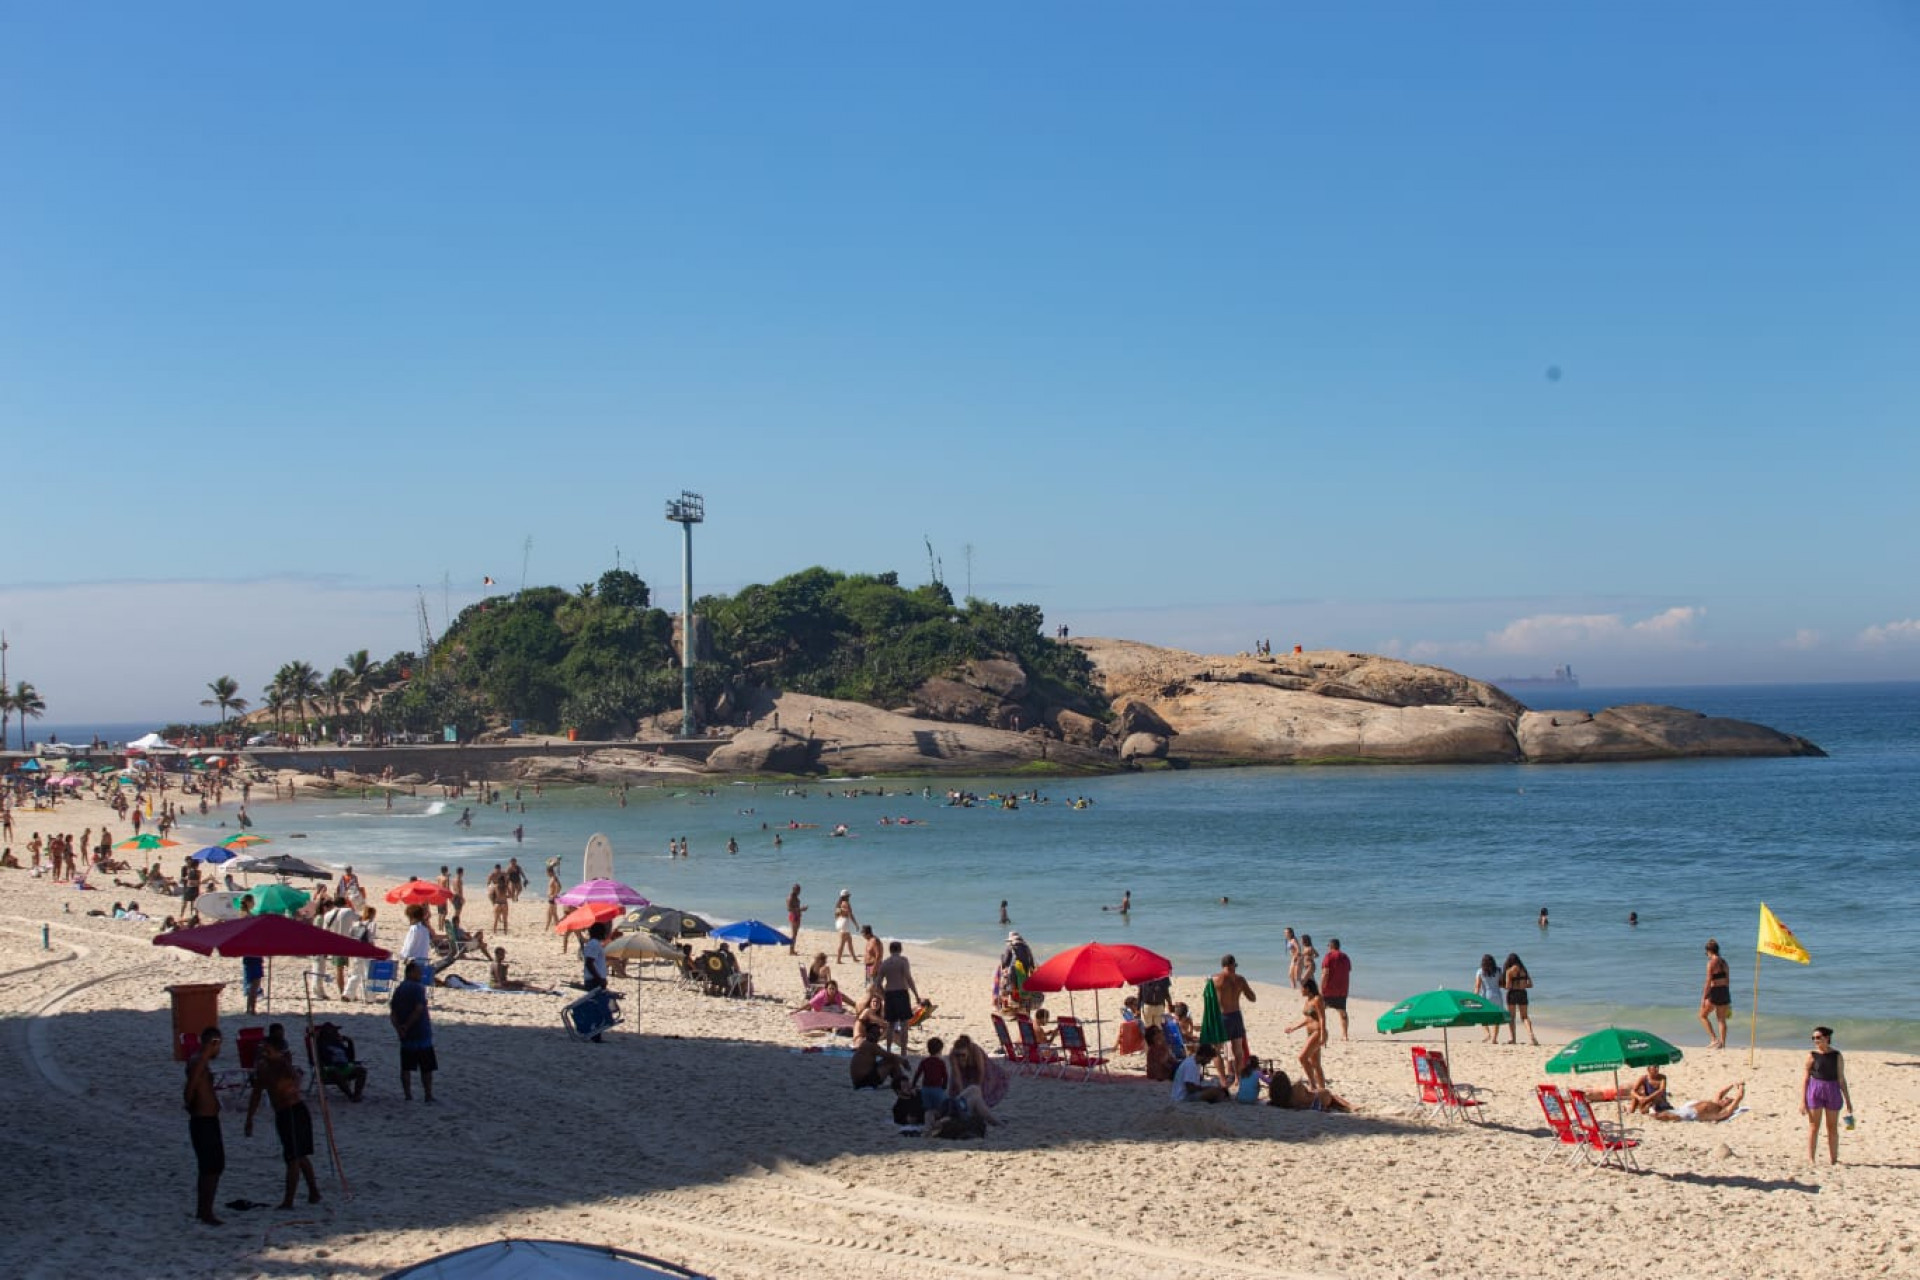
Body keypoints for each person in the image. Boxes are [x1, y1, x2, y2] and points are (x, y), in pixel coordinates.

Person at [244, 1024, 322, 1208]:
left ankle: (289, 1200)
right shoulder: (264, 1069)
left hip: (294, 1111)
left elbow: (293, 1080)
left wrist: (281, 1060)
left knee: (294, 1158)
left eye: (266, 1051)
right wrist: (249, 1118)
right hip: (283, 1113)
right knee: (297, 1156)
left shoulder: (284, 1067)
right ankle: (313, 1192)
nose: (263, 1054)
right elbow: (256, 1094)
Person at [183, 1025, 226, 1225]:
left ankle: (205, 1209)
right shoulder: (199, 1061)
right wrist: (190, 1105)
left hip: (208, 1119)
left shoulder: (202, 1061)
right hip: (203, 1120)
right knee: (210, 1168)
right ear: (214, 1043)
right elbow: (190, 1086)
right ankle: (205, 1211)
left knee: (214, 1166)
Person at [1801, 1027, 1853, 1164]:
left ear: (1827, 1038)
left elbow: (1841, 1078)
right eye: (1813, 1038)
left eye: (1818, 1037)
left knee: (1832, 1127)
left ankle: (1834, 1159)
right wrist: (1802, 1101)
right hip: (1815, 1090)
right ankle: (1811, 1158)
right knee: (1814, 1126)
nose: (1815, 1040)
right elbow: (1805, 1078)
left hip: (1832, 1090)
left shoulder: (1836, 1055)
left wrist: (1848, 1100)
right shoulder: (1812, 1055)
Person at [389, 960, 437, 1103]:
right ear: (410, 973)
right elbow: (418, 1009)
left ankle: (408, 1094)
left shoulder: (399, 989)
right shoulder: (417, 988)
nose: (421, 974)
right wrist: (407, 1026)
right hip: (420, 1032)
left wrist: (399, 1029)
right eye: (418, 972)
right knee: (426, 1067)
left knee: (406, 1067)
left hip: (406, 1035)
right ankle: (428, 1094)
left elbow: (393, 1013)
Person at [1210, 954, 1256, 1078]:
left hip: (1222, 1016)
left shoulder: (1215, 980)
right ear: (1233, 965)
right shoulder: (1240, 980)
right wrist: (1241, 989)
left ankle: (1223, 1080)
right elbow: (1252, 998)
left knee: (1216, 1050)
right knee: (1238, 1052)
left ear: (1223, 966)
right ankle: (1238, 1079)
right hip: (1236, 1016)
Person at [876, 940, 922, 1055]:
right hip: (901, 993)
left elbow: (877, 983)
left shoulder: (885, 963)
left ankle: (888, 1050)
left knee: (891, 1025)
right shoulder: (903, 961)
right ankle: (903, 1052)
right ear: (900, 949)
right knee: (904, 1024)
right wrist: (916, 994)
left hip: (890, 994)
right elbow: (908, 978)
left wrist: (884, 995)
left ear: (890, 950)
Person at [1286, 976, 1328, 1092]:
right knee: (1315, 1064)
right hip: (1310, 1033)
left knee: (1302, 1057)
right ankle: (1322, 1090)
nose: (1300, 990)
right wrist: (1294, 1027)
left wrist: (1323, 1035)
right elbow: (1308, 1019)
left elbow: (1322, 1018)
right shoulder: (1308, 1000)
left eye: (1302, 988)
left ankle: (1313, 1086)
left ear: (1308, 988)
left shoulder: (1317, 999)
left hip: (1318, 1032)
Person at [1267, 1068, 1355, 1113]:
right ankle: (1350, 1106)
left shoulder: (1279, 1099)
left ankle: (1345, 1106)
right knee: (1333, 1096)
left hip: (1314, 1103)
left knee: (1330, 1100)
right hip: (1320, 1098)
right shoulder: (1296, 1088)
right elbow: (1309, 1092)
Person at [849, 1025, 908, 1093]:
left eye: (877, 1034)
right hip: (864, 1082)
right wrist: (903, 1061)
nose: (875, 1036)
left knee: (891, 1060)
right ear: (867, 1033)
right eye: (873, 1033)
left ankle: (900, 1081)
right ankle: (901, 1083)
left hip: (859, 1082)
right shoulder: (870, 1045)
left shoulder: (866, 1044)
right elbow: (888, 1055)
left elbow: (887, 1056)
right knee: (892, 1061)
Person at [1656, 1081, 1746, 1123]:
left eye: (1727, 1100)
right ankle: (1653, 1116)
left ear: (1728, 1105)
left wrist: (1741, 1086)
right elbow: (1720, 1092)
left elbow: (1739, 1097)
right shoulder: (1716, 1103)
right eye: (1725, 1098)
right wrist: (1732, 1084)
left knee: (1668, 1115)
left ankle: (1653, 1117)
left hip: (1693, 1114)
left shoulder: (1722, 1112)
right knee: (1667, 1112)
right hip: (1688, 1108)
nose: (1723, 1099)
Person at [1699, 938, 1732, 1049]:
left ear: (1709, 951)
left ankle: (1714, 1039)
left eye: (1706, 952)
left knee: (1702, 1016)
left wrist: (1703, 997)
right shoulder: (1724, 962)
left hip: (1715, 991)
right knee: (1721, 1019)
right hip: (1725, 991)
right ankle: (1722, 1044)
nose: (1706, 955)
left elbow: (1708, 981)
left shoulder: (1711, 963)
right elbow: (1727, 980)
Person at [1502, 953, 1537, 1045]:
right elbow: (1531, 984)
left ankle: (1513, 1039)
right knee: (1525, 1016)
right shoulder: (1524, 971)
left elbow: (1507, 986)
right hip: (1522, 993)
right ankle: (1531, 1034)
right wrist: (1522, 985)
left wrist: (1505, 985)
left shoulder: (1509, 971)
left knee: (1512, 1017)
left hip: (1512, 994)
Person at [1320, 939, 1352, 1041]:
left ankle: (1319, 1032)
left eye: (1328, 945)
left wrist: (1322, 987)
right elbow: (1348, 970)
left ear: (1330, 946)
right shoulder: (1346, 957)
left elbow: (1325, 973)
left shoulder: (1328, 956)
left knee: (1319, 1011)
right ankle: (1345, 1035)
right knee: (1342, 1012)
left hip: (1329, 990)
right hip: (1342, 989)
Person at [911, 1036, 950, 1114]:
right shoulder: (940, 1062)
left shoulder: (925, 1061)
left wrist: (913, 1085)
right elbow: (945, 1076)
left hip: (926, 1089)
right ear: (940, 1050)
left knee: (928, 1110)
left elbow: (918, 1074)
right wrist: (944, 1086)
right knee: (939, 1108)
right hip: (937, 1088)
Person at [1472, 954, 1505, 1043]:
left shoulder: (1480, 972)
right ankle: (1494, 1038)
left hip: (1485, 996)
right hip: (1497, 995)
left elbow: (1477, 987)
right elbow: (1501, 984)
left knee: (1482, 1016)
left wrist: (1474, 997)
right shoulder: (1498, 970)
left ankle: (1487, 1034)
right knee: (1496, 1017)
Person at [834, 891, 860, 964]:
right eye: (848, 896)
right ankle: (838, 960)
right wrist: (856, 924)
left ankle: (854, 958)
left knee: (849, 941)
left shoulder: (839, 904)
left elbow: (837, 914)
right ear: (846, 896)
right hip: (844, 923)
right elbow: (850, 915)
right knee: (842, 943)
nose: (849, 897)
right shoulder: (846, 903)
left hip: (839, 922)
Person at [786, 884, 807, 955]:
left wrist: (801, 910)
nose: (799, 892)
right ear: (795, 890)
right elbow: (789, 909)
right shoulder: (790, 898)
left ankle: (792, 950)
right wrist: (801, 909)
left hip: (797, 915)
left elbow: (795, 907)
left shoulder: (795, 897)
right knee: (794, 934)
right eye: (798, 890)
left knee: (795, 934)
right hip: (793, 916)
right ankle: (791, 950)